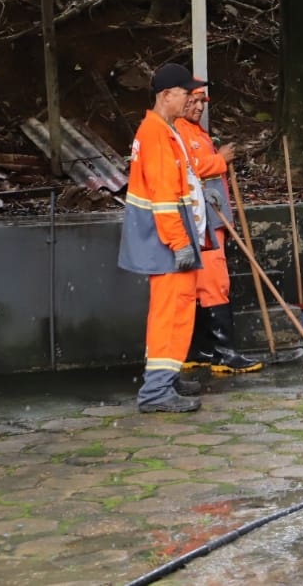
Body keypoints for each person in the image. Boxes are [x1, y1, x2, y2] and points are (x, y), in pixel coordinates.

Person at [117, 63, 209, 412]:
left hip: (166, 238)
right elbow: (163, 196)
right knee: (171, 313)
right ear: (166, 95)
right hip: (167, 241)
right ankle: (156, 391)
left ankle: (166, 379)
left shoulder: (160, 130)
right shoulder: (156, 133)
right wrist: (180, 241)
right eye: (186, 94)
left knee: (174, 310)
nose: (190, 100)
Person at [176, 87, 264, 375]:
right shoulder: (179, 131)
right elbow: (187, 169)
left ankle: (200, 349)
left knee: (203, 285)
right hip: (204, 222)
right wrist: (220, 159)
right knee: (214, 283)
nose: (200, 107)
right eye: (194, 101)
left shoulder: (195, 131)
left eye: (202, 102)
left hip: (210, 220)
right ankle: (224, 351)